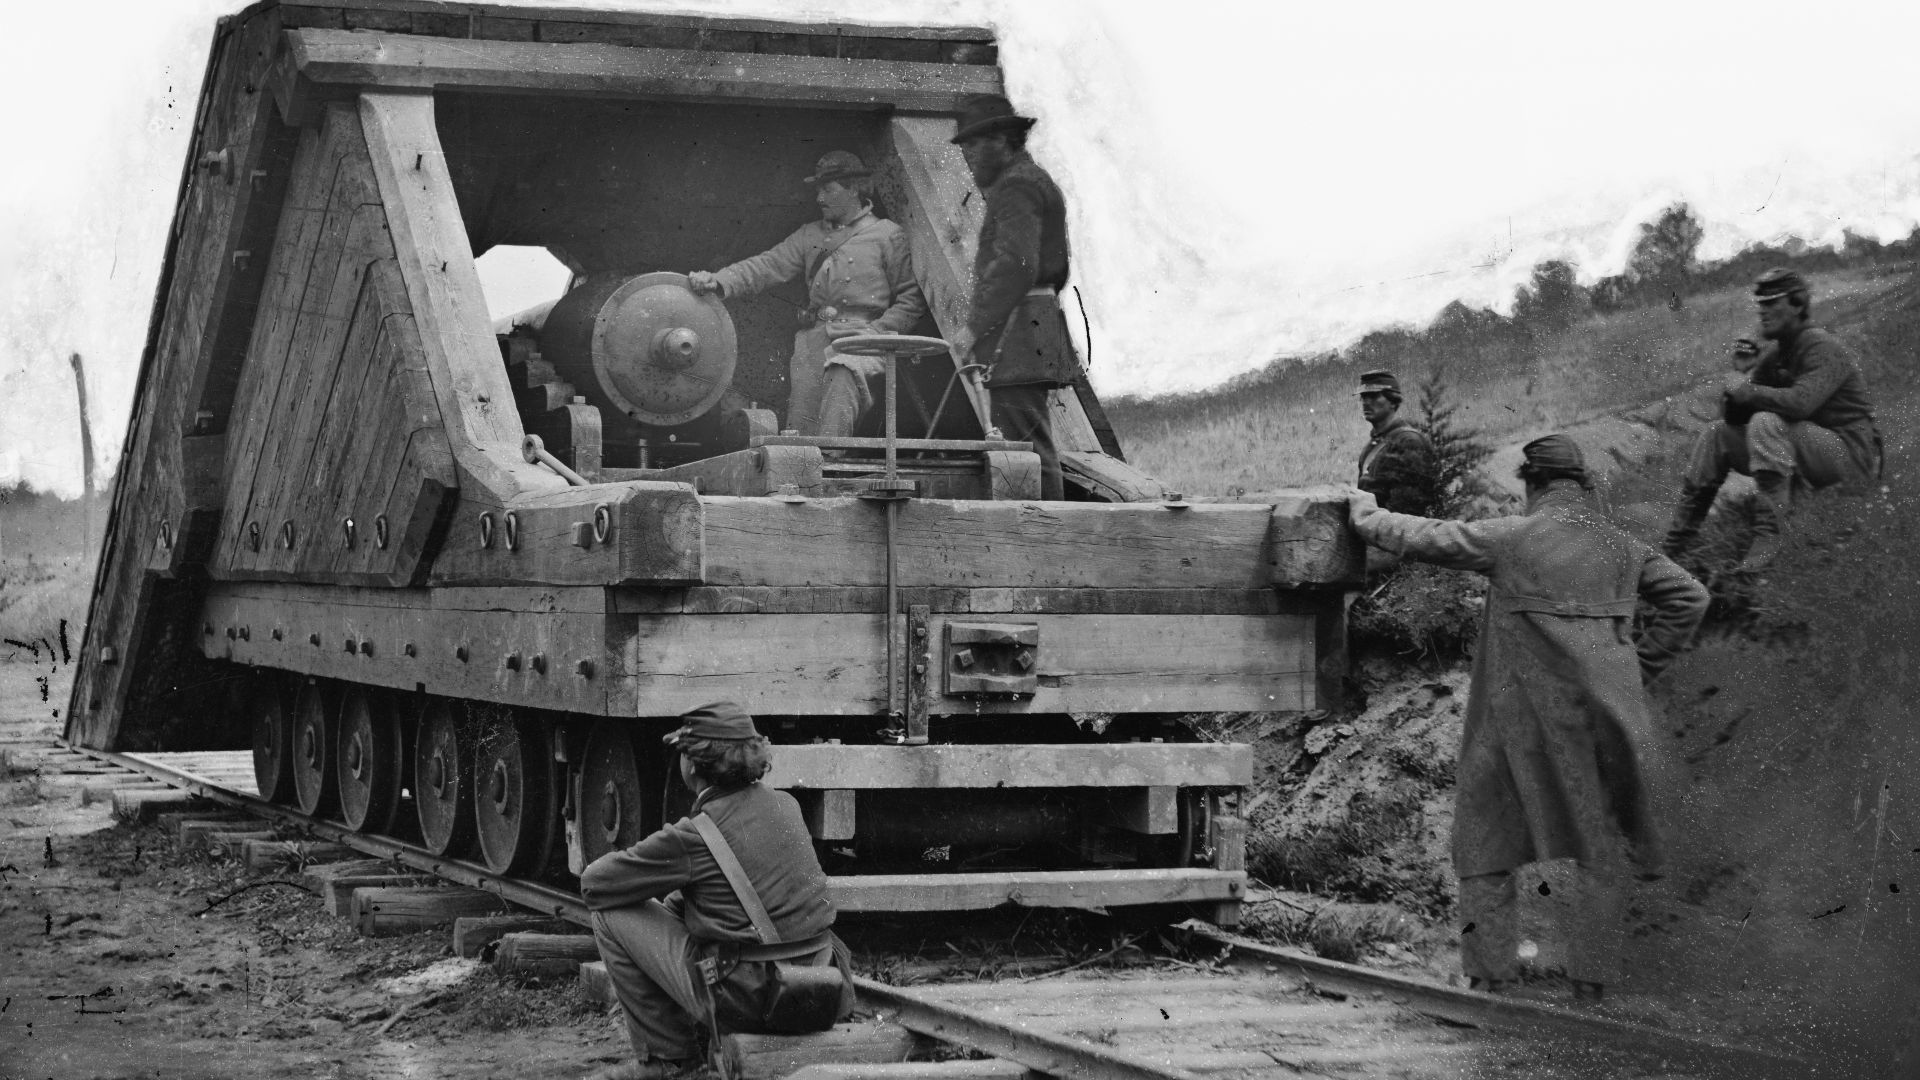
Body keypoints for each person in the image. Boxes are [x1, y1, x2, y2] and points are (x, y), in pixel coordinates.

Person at [1348, 435, 1709, 1000]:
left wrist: (1364, 510)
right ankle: (1592, 985)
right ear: (1583, 485)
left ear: (1533, 483)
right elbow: (1692, 597)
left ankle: (1491, 976)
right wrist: (1641, 665)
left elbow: (1422, 536)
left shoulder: (1513, 538)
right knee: (1597, 846)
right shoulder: (1623, 547)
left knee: (1485, 835)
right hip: (1598, 720)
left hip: (1515, 720)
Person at [580, 703, 851, 1080]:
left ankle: (669, 1060)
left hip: (753, 998)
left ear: (692, 765)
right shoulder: (787, 805)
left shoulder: (694, 835)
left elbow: (595, 883)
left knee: (611, 915)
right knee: (683, 904)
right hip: (819, 983)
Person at [689, 152, 926, 437]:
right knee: (801, 430)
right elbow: (766, 266)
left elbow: (910, 299)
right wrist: (718, 280)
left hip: (867, 345)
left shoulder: (887, 235)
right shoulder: (809, 235)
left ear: (853, 189)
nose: (820, 198)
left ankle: (833, 463)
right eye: (818, 190)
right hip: (814, 345)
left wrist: (877, 333)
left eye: (828, 189)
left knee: (842, 371)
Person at [1663, 268, 1881, 570]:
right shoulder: (1777, 355)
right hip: (1811, 452)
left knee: (1766, 422)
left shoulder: (1821, 346)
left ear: (1797, 304)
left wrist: (1749, 389)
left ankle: (1769, 536)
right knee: (1716, 435)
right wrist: (1742, 374)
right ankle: (1677, 544)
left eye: (1771, 303)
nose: (1762, 311)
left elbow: (1800, 404)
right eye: (1760, 304)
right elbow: (1735, 417)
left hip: (1852, 457)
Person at [953, 94, 1078, 501]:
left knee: (1028, 450)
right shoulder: (1028, 179)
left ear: (1002, 140)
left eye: (973, 143)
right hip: (1028, 327)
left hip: (1019, 332)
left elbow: (1016, 264)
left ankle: (1048, 540)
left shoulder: (1017, 185)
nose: (967, 154)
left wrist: (973, 327)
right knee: (1029, 444)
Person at [1355, 370, 1436, 515]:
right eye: (1363, 397)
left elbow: (1410, 509)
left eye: (1373, 396)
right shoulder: (1372, 445)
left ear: (1393, 401)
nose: (1366, 402)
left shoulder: (1409, 442)